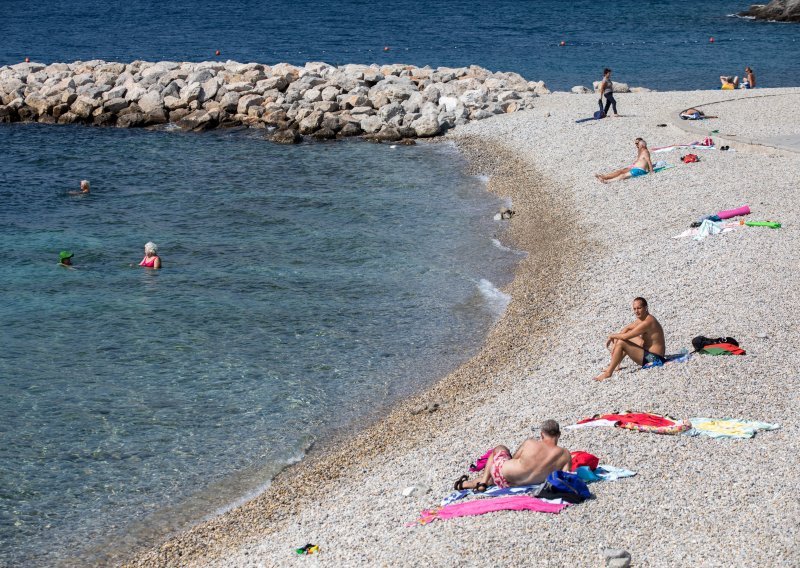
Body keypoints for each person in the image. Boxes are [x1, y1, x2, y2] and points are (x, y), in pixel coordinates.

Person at [454, 420, 572, 492]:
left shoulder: (530, 443)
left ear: (542, 434)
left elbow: (514, 458)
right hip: (528, 484)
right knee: (494, 479)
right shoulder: (565, 455)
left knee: (499, 449)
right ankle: (465, 484)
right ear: (559, 434)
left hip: (503, 476)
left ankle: (483, 483)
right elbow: (564, 477)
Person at [593, 297, 666, 381]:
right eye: (634, 309)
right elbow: (626, 329)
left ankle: (608, 372)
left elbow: (625, 337)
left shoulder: (647, 322)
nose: (636, 311)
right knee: (624, 337)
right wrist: (615, 343)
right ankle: (616, 364)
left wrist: (611, 336)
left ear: (646, 307)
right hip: (647, 351)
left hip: (655, 359)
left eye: (639, 308)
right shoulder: (643, 318)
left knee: (622, 342)